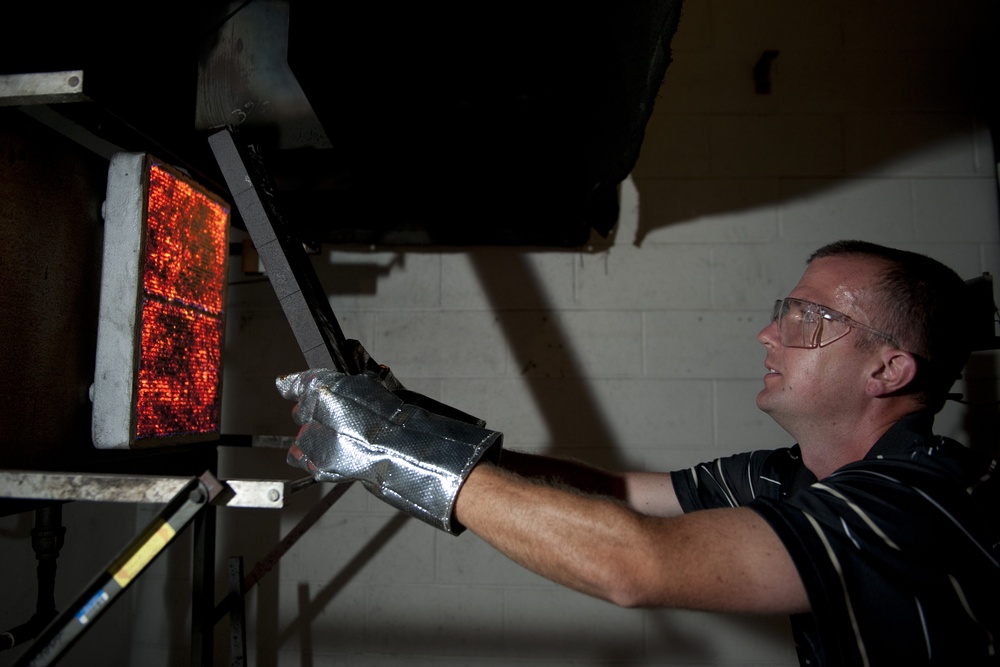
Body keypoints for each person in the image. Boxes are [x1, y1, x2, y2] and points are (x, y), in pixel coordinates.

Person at [277, 240, 999, 666]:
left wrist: (395, 450)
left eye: (812, 317)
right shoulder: (789, 475)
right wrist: (413, 422)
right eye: (786, 309)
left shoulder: (917, 503)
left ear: (888, 370)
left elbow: (637, 563)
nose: (770, 334)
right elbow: (610, 491)